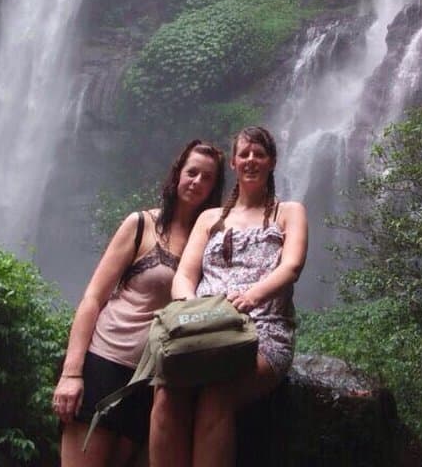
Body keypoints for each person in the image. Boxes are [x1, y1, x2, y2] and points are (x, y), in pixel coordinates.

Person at [53, 139, 225, 467]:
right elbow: (93, 298)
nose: (197, 182)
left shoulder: (210, 244)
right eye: (192, 172)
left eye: (207, 178)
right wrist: (72, 373)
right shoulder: (141, 224)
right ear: (177, 175)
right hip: (106, 361)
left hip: (153, 379)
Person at [148, 125, 308, 467]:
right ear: (234, 163)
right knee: (167, 391)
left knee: (216, 394)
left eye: (259, 154)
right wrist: (192, 310)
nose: (251, 159)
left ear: (272, 162)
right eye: (244, 153)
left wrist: (252, 296)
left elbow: (291, 266)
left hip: (262, 330)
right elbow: (185, 276)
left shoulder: (289, 212)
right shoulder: (211, 217)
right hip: (205, 326)